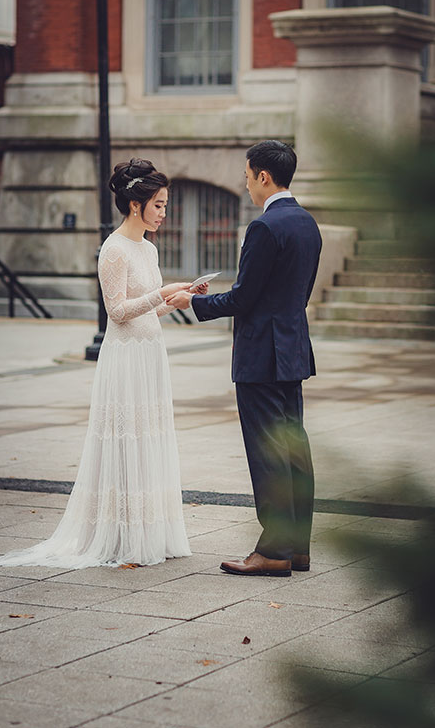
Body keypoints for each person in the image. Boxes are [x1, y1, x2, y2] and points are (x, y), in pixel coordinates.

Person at [0, 160, 196, 569]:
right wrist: (161, 293)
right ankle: (119, 534)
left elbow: (149, 312)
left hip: (150, 354)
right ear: (135, 205)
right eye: (158, 205)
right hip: (124, 359)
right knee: (126, 442)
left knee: (150, 439)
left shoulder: (149, 248)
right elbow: (117, 311)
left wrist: (178, 297)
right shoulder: (114, 249)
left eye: (165, 205)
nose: (163, 212)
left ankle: (150, 531)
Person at [170, 140, 322, 577]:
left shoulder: (265, 227)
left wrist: (193, 303)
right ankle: (297, 548)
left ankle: (274, 550)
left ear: (263, 177)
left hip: (261, 355)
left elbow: (244, 297)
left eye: (247, 175)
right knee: (294, 450)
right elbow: (296, 293)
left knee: (268, 454)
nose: (247, 183)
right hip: (292, 350)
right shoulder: (308, 223)